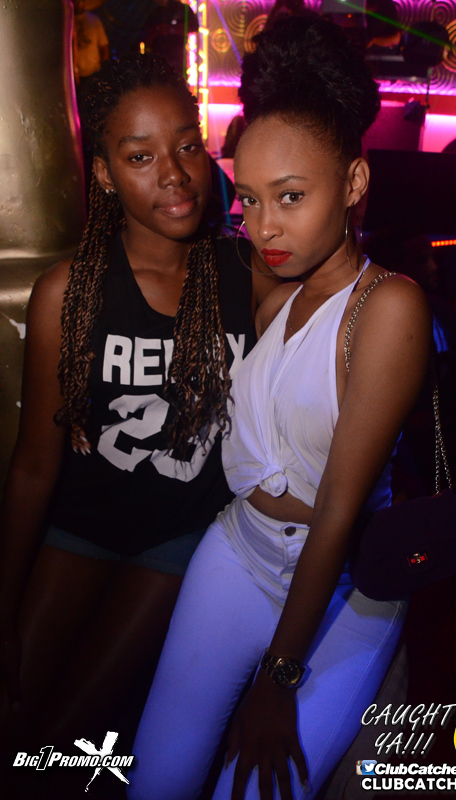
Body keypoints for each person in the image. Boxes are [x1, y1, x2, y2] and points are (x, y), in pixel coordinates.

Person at [130, 16, 431, 800]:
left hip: (342, 590)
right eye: (250, 199)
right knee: (155, 778)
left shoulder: (387, 307)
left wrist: (279, 677)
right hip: (237, 551)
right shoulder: (276, 286)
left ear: (354, 183)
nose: (264, 226)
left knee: (253, 790)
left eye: (291, 197)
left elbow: (336, 510)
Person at [0, 53, 275, 771]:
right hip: (80, 528)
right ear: (103, 173)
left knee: (66, 735)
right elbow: (33, 468)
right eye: (140, 156)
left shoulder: (249, 274)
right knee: (13, 714)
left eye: (187, 145)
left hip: (180, 539)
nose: (174, 174)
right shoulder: (70, 292)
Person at [72, 0, 110, 86]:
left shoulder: (94, 20)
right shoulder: (67, 22)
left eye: (80, 1)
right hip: (75, 75)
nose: (78, 4)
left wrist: (103, 71)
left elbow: (104, 47)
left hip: (93, 72)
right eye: (76, 1)